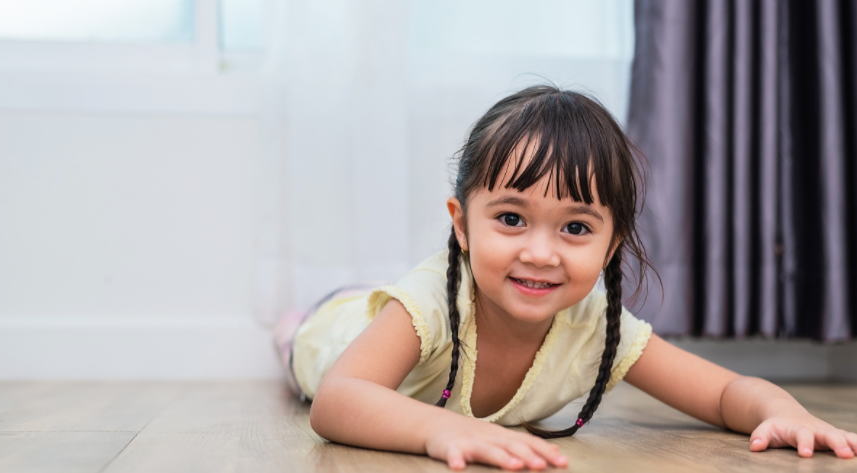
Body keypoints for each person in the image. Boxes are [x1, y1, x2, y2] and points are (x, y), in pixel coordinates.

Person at [275, 85, 857, 470]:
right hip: (337, 333)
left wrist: (784, 412)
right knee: (312, 337)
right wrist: (440, 432)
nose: (540, 252)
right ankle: (296, 323)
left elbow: (727, 392)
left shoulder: (596, 327)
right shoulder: (429, 303)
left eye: (575, 228)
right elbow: (337, 400)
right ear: (462, 224)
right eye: (510, 219)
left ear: (612, 245)